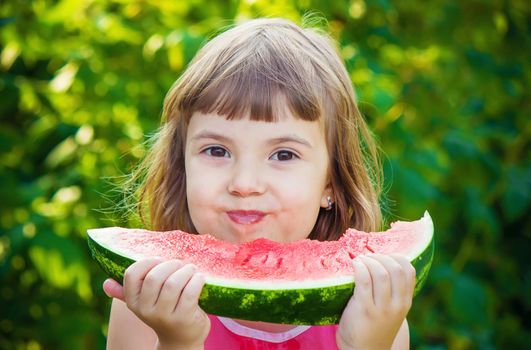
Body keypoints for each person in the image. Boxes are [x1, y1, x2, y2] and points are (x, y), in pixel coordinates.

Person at [102, 17, 416, 350]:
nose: (245, 183)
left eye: (283, 155)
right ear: (182, 167)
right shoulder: (143, 301)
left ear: (331, 184)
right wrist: (176, 342)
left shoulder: (378, 317)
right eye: (217, 150)